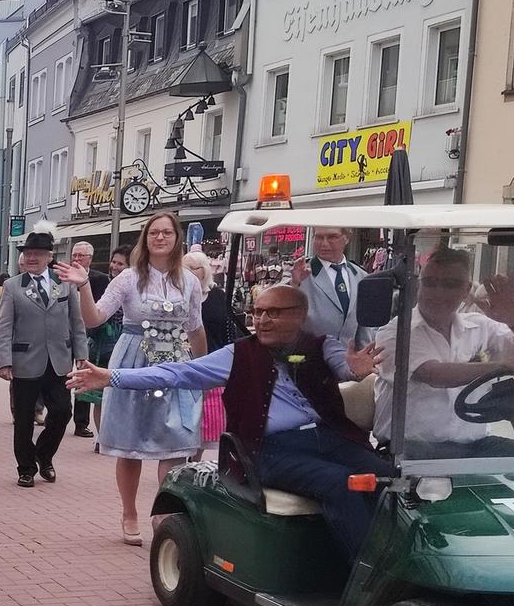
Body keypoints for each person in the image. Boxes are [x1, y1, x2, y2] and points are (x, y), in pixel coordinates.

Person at [69, 285, 388, 561]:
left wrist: (356, 370)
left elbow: (345, 367)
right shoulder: (239, 354)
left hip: (328, 438)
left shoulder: (320, 346)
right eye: (258, 312)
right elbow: (178, 373)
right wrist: (111, 376)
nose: (262, 320)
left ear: (299, 316)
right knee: (341, 483)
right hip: (270, 450)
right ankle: (368, 573)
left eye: (274, 313)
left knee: (388, 475)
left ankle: (396, 551)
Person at [57, 212, 205, 544]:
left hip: (174, 361)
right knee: (131, 441)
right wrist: (82, 286)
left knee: (174, 444)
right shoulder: (128, 278)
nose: (161, 238)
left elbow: (195, 327)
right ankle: (129, 512)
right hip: (134, 359)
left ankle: (163, 514)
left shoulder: (190, 281)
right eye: (154, 232)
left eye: (167, 232)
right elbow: (94, 318)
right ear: (145, 238)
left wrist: (203, 368)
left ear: (177, 238)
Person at [373, 248, 514, 459]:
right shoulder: (397, 332)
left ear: (466, 292)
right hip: (413, 449)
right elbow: (435, 375)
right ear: (419, 286)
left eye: (450, 285)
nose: (438, 293)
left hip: (475, 445)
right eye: (430, 283)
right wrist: (501, 365)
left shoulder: (477, 325)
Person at [0, 222, 87, 488]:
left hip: (59, 360)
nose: (31, 257)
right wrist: (3, 361)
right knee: (24, 418)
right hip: (25, 360)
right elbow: (4, 326)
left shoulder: (65, 284)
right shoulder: (13, 286)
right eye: (27, 253)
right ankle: (25, 468)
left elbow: (76, 320)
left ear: (50, 257)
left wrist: (81, 353)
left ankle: (44, 455)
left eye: (38, 253)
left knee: (62, 412)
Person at [184, 250, 247, 455]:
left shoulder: (218, 296)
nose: (186, 273)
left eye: (190, 268)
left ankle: (196, 458)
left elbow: (229, 330)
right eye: (183, 269)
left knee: (209, 417)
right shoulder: (177, 296)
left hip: (212, 358)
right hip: (183, 359)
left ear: (203, 271)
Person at [287, 226, 370, 346]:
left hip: (346, 361)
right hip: (309, 358)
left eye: (332, 237)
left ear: (346, 238)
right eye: (319, 237)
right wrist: (294, 284)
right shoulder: (299, 271)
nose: (324, 244)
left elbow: (363, 329)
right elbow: (276, 304)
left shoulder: (361, 276)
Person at [69, 241, 112, 439]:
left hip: (88, 334)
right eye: (74, 255)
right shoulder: (63, 276)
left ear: (90, 259)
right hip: (63, 332)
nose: (76, 259)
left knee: (83, 376)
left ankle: (81, 422)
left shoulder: (101, 280)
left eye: (81, 256)